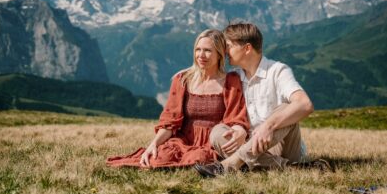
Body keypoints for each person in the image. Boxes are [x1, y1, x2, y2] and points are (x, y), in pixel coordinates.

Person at [107, 29, 248, 168]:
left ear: (220, 54)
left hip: (211, 142)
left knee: (197, 158)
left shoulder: (231, 81)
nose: (201, 55)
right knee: (159, 158)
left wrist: (238, 133)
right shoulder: (182, 79)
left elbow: (235, 118)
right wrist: (154, 144)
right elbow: (170, 121)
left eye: (207, 50)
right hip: (183, 140)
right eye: (198, 50)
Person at [194, 21, 317, 177]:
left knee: (286, 108)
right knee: (218, 133)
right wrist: (240, 131)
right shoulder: (234, 77)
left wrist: (268, 127)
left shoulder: (278, 71)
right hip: (251, 145)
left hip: (281, 145)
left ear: (247, 48)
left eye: (229, 46)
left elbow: (305, 104)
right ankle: (292, 168)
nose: (225, 51)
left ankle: (231, 164)